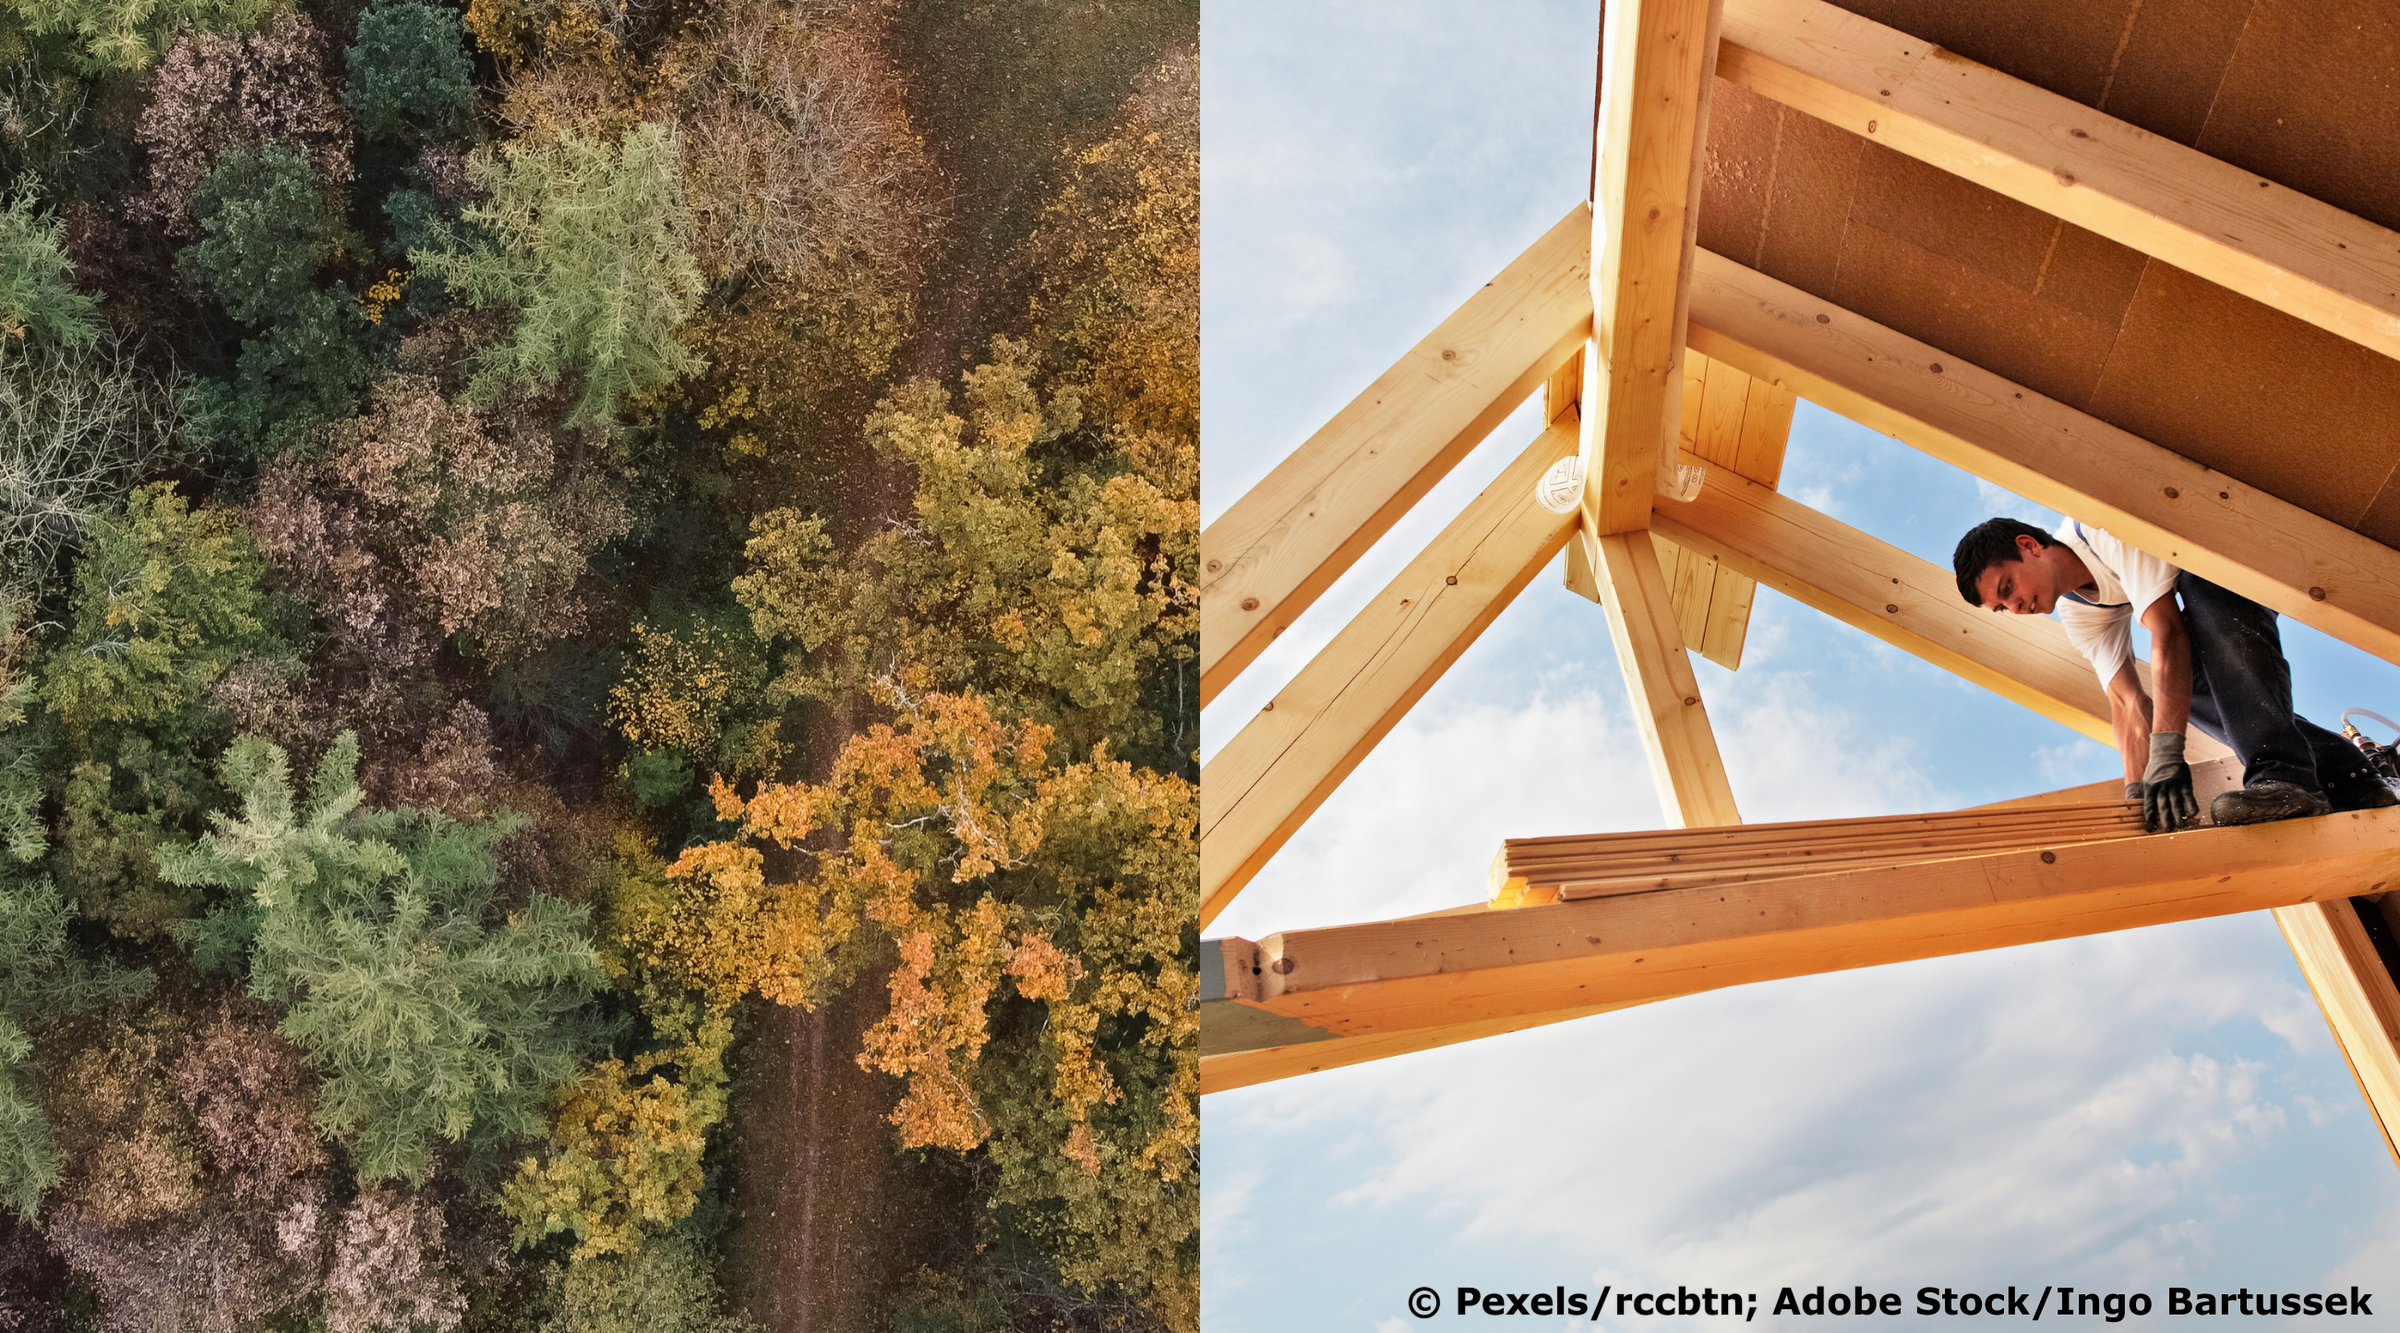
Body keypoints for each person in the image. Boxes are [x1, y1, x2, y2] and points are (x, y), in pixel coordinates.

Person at [1952, 516, 2396, 833]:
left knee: (2198, 596)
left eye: (2008, 588)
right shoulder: (2076, 611)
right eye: (2002, 608)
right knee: (2192, 690)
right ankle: (2349, 778)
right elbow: (2126, 701)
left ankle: (2287, 775)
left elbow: (2166, 632)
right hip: (2207, 611)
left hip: (2235, 565)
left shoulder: (2101, 525)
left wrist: (2167, 755)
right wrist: (2139, 793)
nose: (2015, 607)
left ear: (2029, 545)